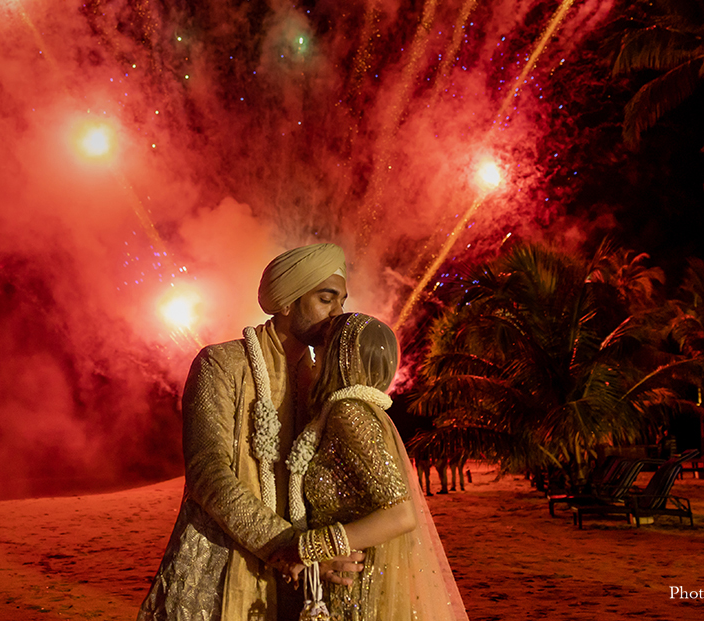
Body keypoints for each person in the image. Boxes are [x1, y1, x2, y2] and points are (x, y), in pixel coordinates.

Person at [138, 243, 362, 621]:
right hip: (223, 564)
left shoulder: (322, 382)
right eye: (326, 299)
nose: (338, 314)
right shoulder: (221, 364)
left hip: (306, 577)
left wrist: (325, 548)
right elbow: (208, 474)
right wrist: (291, 548)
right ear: (288, 302)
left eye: (341, 301)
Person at [282, 313, 469, 621]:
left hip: (358, 587)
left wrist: (310, 547)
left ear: (340, 359)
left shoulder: (349, 412)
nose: (313, 357)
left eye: (323, 348)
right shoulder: (344, 412)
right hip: (347, 581)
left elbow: (401, 514)